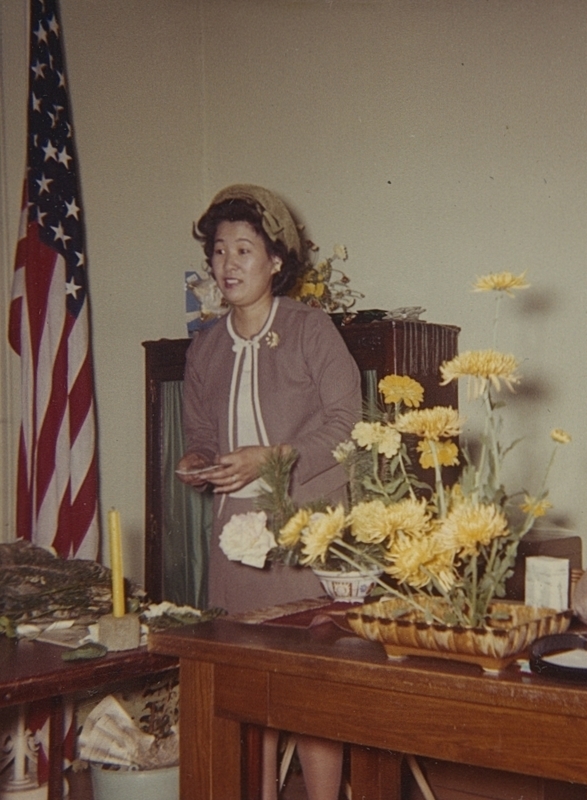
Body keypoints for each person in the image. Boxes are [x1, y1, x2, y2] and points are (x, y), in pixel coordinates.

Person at [177, 184, 362, 800]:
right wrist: (199, 462)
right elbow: (202, 431)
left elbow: (345, 425)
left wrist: (272, 459)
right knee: (245, 698)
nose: (228, 264)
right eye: (219, 251)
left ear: (276, 262)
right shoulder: (205, 346)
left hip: (305, 534)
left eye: (244, 250)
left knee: (310, 698)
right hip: (236, 543)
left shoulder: (312, 330)